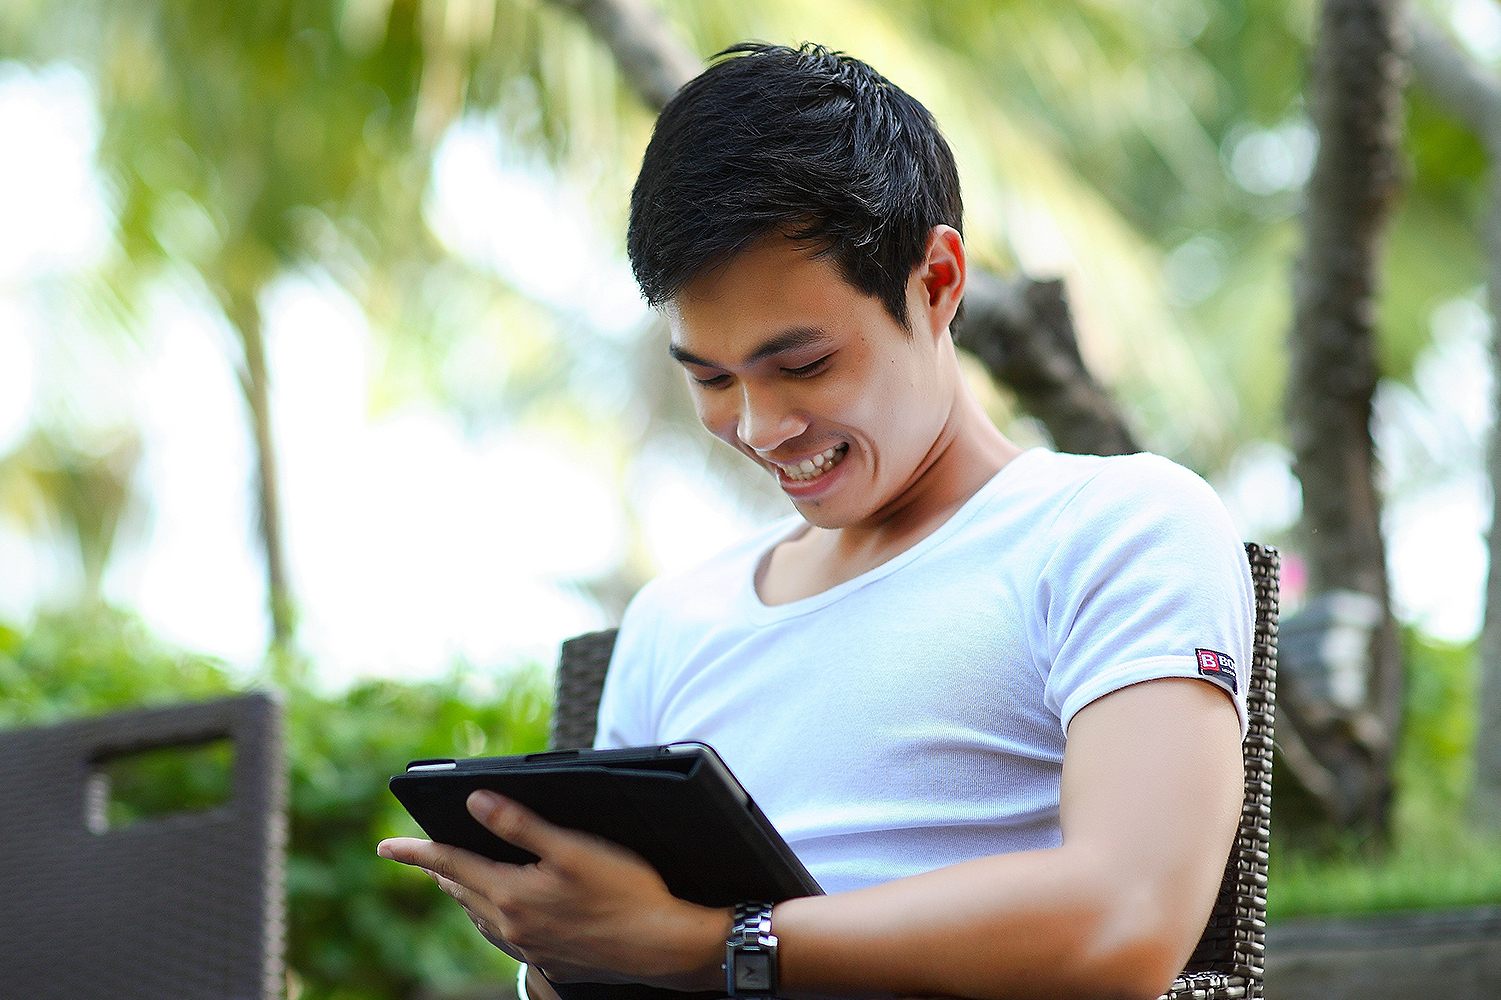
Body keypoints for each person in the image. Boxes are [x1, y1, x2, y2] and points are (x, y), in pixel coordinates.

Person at [379, 42, 1253, 1000]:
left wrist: (714, 945)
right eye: (710, 377)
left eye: (801, 365)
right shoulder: (677, 620)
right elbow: (609, 963)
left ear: (937, 281)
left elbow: (1124, 924)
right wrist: (563, 940)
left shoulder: (1116, 527)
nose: (758, 428)